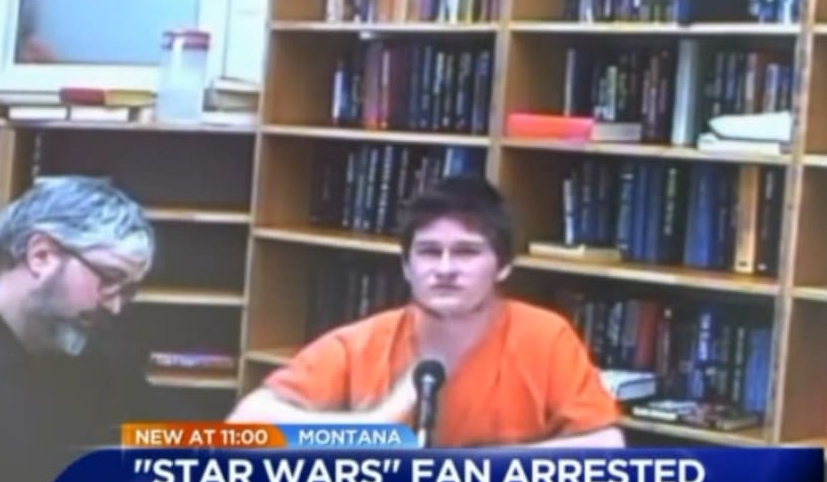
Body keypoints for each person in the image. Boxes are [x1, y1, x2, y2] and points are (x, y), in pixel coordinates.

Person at [229, 175, 624, 449]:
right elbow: (246, 426)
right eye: (430, 252)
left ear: (503, 266)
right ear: (406, 266)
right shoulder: (362, 343)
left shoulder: (545, 337)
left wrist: (468, 475)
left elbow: (605, 446)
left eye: (467, 252)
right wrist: (373, 428)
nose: (445, 269)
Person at [0, 176, 188, 482]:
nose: (116, 306)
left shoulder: (94, 348)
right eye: (108, 278)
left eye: (128, 290)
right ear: (41, 255)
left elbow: (169, 427)